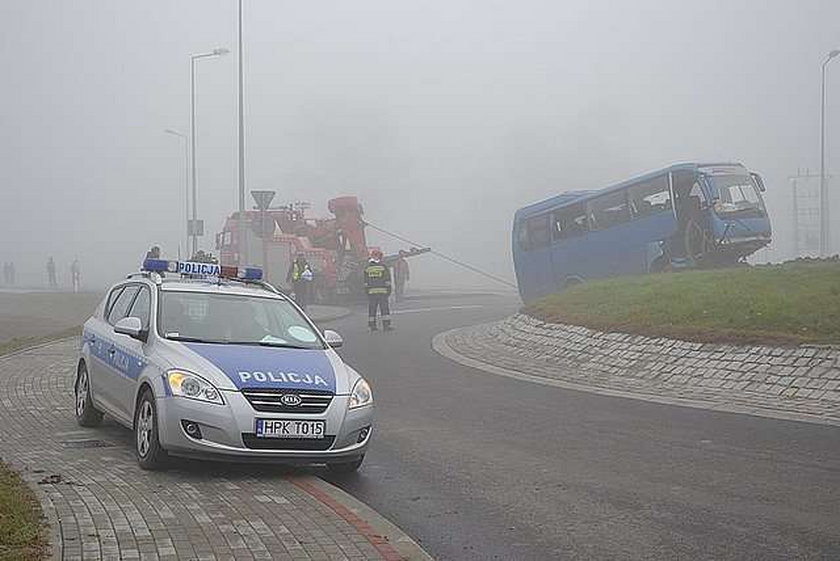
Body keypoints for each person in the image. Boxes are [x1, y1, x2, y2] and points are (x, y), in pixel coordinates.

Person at [364, 249, 392, 331]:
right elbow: (387, 281)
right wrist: (389, 291)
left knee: (372, 310)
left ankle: (372, 326)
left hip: (371, 293)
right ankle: (386, 326)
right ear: (379, 256)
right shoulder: (383, 267)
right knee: (384, 309)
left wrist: (367, 292)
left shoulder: (367, 268)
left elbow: (365, 282)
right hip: (382, 292)